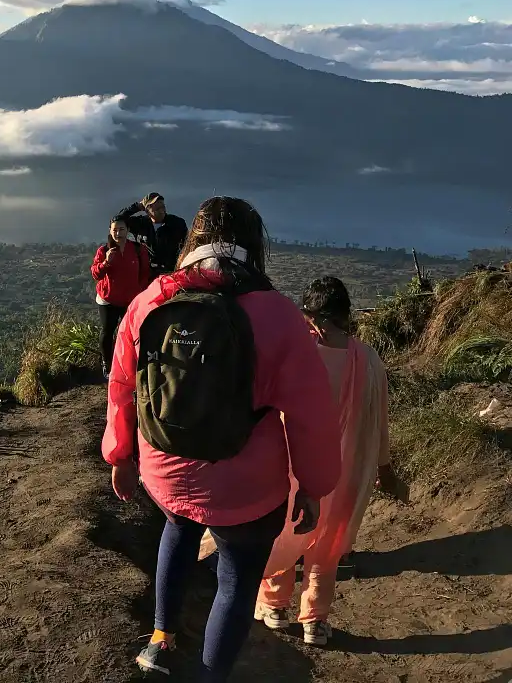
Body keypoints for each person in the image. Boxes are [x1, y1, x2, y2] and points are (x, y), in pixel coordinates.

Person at [101, 196, 342, 681]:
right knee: (235, 578)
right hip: (245, 490)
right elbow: (310, 414)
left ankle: (161, 639)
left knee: (178, 529)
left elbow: (123, 386)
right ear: (255, 247)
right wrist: (314, 486)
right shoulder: (277, 316)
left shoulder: (153, 300)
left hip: (166, 469)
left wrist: (120, 455)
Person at [253, 276, 400, 648]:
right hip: (346, 473)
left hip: (293, 468)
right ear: (346, 315)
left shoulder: (299, 355)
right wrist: (383, 467)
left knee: (286, 533)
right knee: (328, 548)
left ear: (313, 317)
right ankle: (315, 622)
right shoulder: (368, 360)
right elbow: (379, 421)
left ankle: (274, 606)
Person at [91, 215, 151, 379]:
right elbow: (96, 273)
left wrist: (140, 291)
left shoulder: (138, 250)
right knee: (107, 332)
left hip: (131, 300)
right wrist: (106, 263)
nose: (118, 233)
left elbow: (145, 273)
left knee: (132, 333)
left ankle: (131, 365)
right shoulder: (104, 251)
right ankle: (107, 365)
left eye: (122, 229)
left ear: (128, 230)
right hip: (108, 299)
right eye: (115, 229)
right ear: (110, 231)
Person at [116, 193, 189, 277]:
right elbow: (118, 220)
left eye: (163, 207)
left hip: (171, 273)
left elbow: (187, 245)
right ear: (147, 211)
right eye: (157, 208)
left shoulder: (177, 223)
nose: (162, 210)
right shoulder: (140, 224)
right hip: (146, 275)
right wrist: (137, 206)